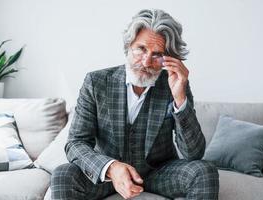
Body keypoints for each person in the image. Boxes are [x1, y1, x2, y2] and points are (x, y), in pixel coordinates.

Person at [51, 9, 219, 200]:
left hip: (158, 173)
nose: (146, 61)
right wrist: (111, 168)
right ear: (128, 46)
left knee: (204, 171)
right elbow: (76, 143)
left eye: (157, 54)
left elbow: (194, 153)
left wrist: (180, 98)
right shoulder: (96, 82)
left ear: (169, 58)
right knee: (63, 175)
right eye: (141, 49)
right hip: (107, 176)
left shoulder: (175, 85)